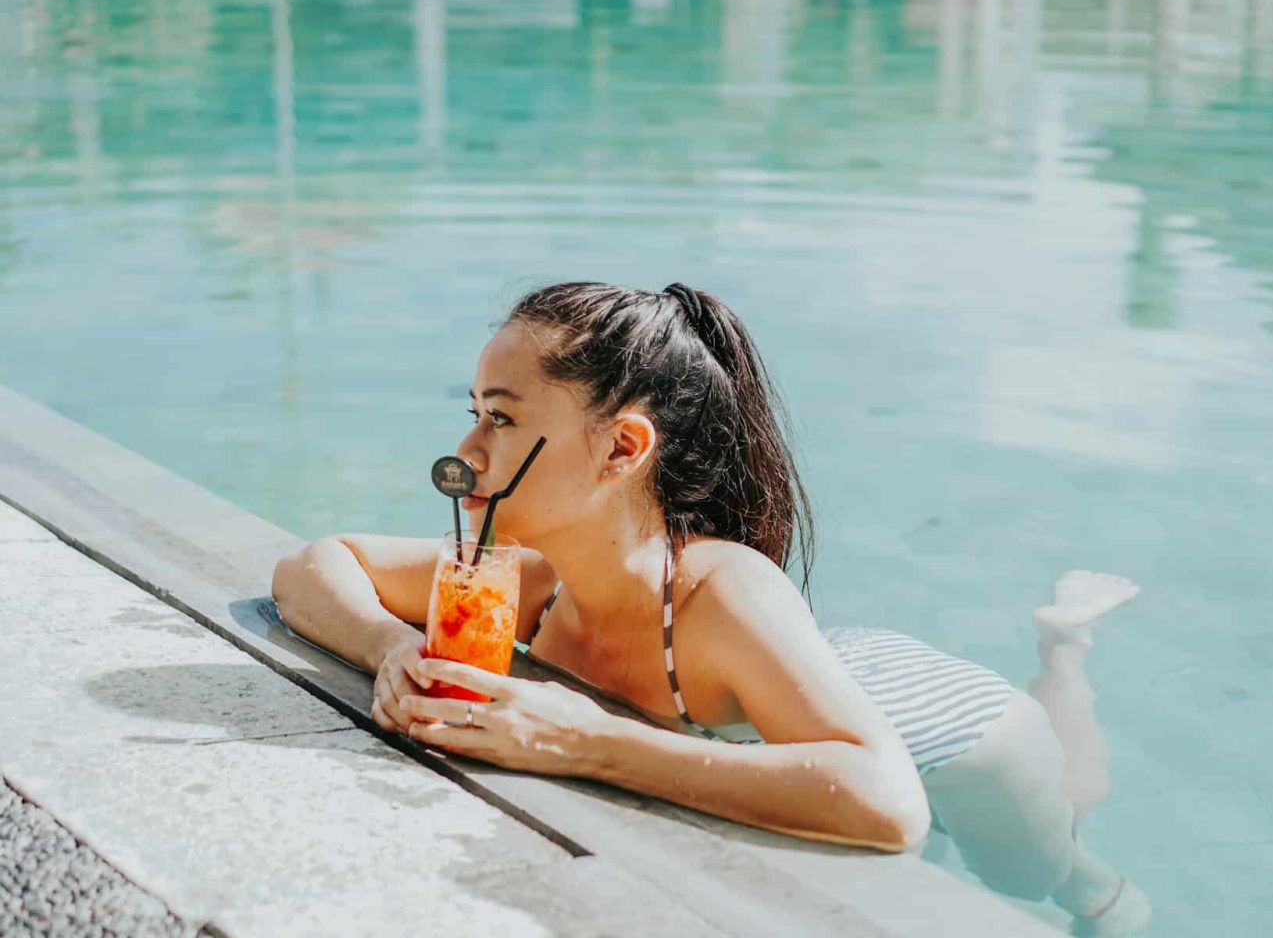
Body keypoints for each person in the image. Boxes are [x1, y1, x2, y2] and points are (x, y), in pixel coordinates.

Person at [272, 282, 1149, 935]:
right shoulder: (522, 583)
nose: (464, 450)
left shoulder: (719, 589)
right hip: (811, 682)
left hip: (955, 729)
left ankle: (1063, 652)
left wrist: (585, 742)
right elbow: (316, 566)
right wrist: (391, 645)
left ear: (621, 447)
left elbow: (890, 805)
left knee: (1051, 875)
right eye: (473, 414)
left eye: (499, 420)